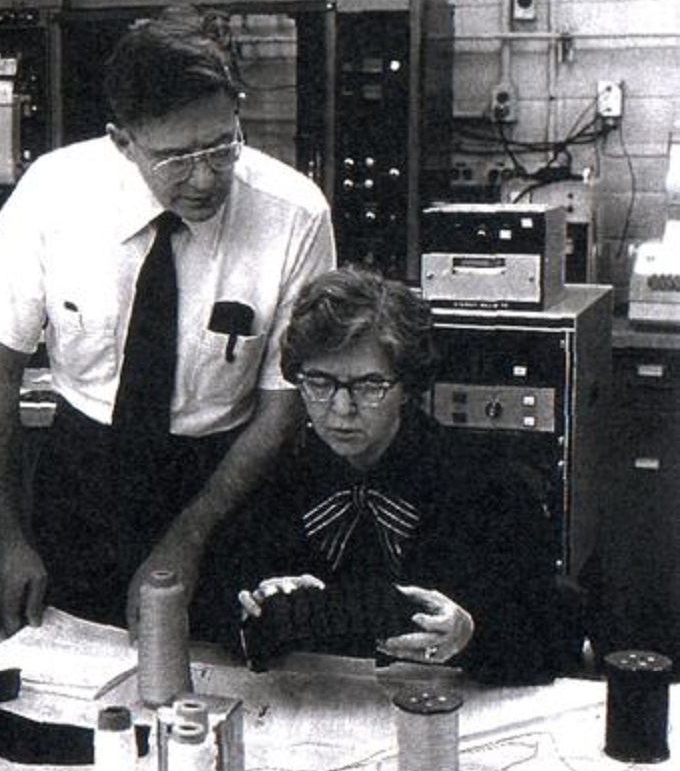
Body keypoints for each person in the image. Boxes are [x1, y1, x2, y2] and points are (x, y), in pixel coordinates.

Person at [0, 7, 336, 637]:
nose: (206, 176)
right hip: (83, 482)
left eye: (222, 145)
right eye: (176, 157)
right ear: (123, 141)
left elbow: (281, 409)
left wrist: (188, 539)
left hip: (224, 480)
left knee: (220, 689)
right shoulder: (53, 193)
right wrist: (8, 536)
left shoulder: (295, 214)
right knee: (71, 678)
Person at [229, 265, 568, 684]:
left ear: (407, 385)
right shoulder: (277, 480)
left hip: (451, 712)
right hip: (319, 708)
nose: (341, 410)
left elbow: (551, 643)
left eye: (369, 386)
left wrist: (470, 633)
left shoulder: (488, 486)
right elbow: (229, 628)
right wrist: (266, 615)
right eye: (319, 382)